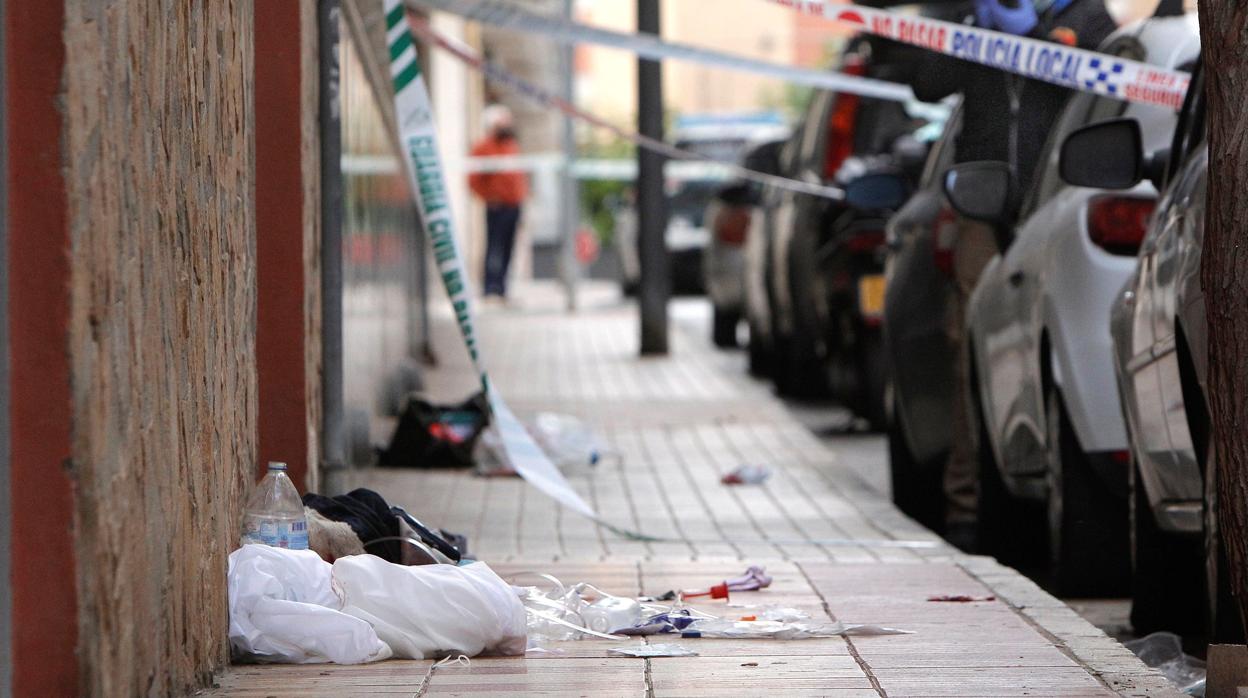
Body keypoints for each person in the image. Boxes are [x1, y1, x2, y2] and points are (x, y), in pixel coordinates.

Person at [912, 0, 1116, 550]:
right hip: (983, 209)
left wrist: (1041, 36)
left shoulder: (1089, 14)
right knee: (970, 353)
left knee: (1058, 340)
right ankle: (968, 508)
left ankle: (1051, 478)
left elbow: (1105, 76)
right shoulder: (974, 19)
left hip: (1056, 200)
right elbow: (926, 83)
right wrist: (968, 27)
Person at [468, 104, 528, 300]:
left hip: (514, 205)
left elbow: (517, 176)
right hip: (497, 206)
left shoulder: (511, 145)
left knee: (508, 247)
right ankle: (489, 287)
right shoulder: (483, 147)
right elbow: (473, 180)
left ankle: (502, 287)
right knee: (494, 247)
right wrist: (489, 197)